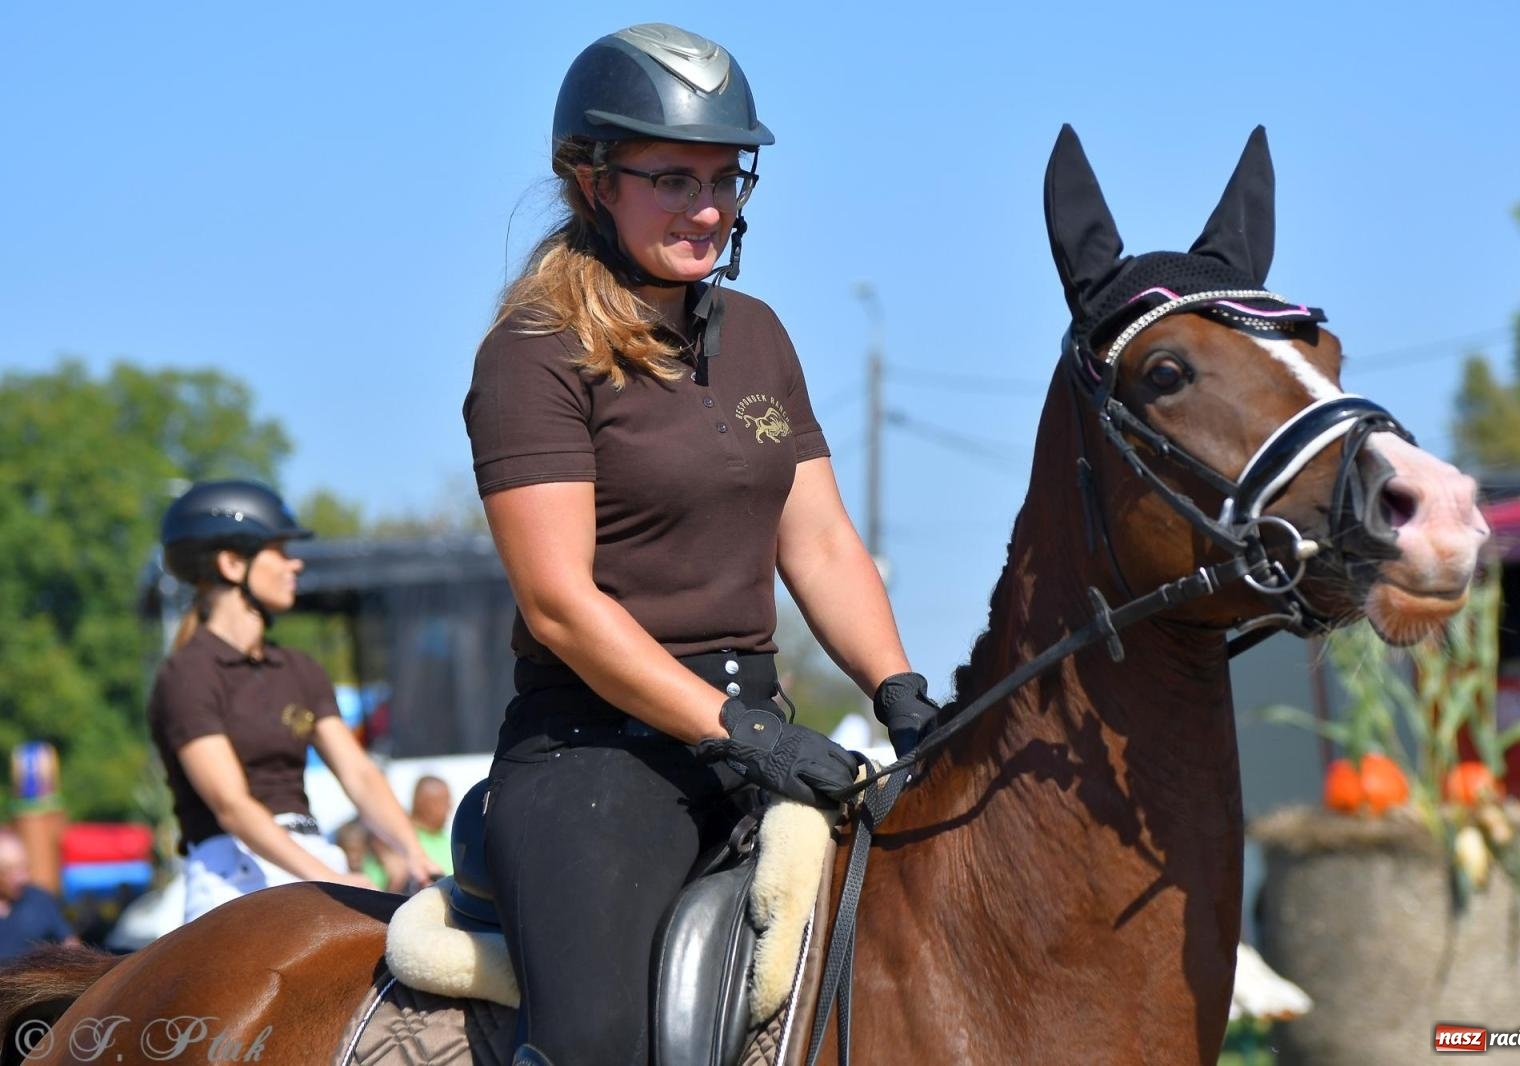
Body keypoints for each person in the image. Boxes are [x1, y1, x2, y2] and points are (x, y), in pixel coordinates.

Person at [462, 23, 941, 1065]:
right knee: (594, 1043)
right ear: (590, 179)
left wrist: (896, 689)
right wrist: (738, 731)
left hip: (758, 735)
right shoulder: (533, 355)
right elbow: (559, 605)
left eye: (727, 178)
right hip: (596, 755)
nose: (710, 207)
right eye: (673, 178)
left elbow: (817, 541)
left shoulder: (760, 333)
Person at [147, 479, 441, 922]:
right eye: (281, 552)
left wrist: (414, 852)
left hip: (311, 854)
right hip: (232, 873)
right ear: (231, 563)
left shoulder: (299, 669)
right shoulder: (186, 674)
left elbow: (359, 773)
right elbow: (232, 805)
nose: (295, 564)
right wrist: (327, 879)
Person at [0, 828, 78, 961]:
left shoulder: (40, 899)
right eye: (10, 871)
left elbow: (71, 947)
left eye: (24, 868)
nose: (23, 878)